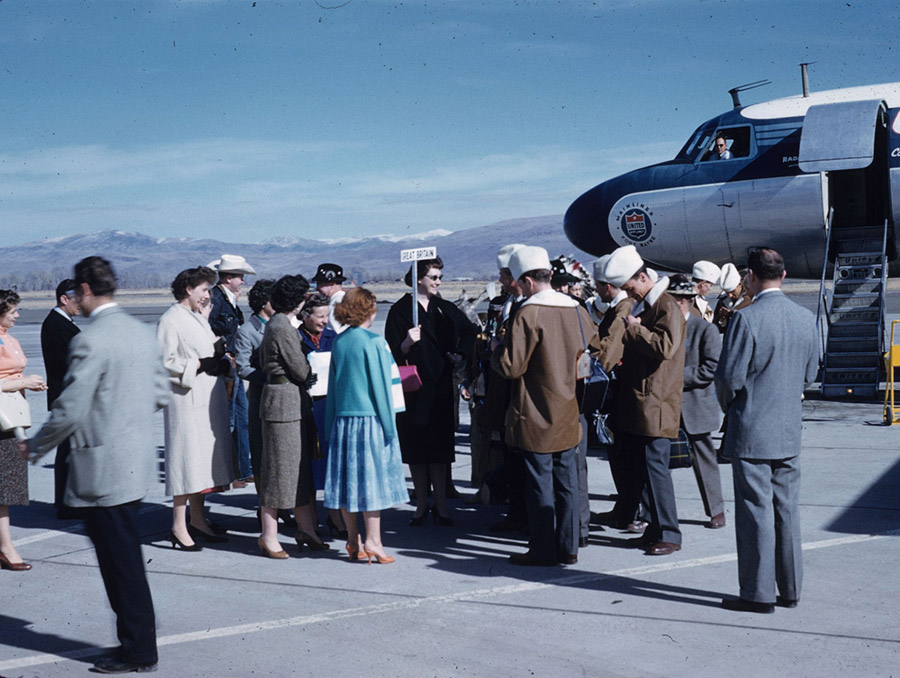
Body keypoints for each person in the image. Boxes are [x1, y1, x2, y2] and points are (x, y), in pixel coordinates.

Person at [24, 256, 169, 673]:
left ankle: (139, 650)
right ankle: (138, 645)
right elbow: (159, 393)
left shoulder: (91, 340)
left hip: (102, 468)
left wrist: (35, 448)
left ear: (86, 290)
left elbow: (69, 409)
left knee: (119, 565)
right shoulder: (140, 332)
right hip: (134, 462)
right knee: (126, 559)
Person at [715, 248, 819, 614]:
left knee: (755, 513)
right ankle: (791, 589)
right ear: (784, 274)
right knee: (787, 511)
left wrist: (733, 407)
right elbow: (811, 373)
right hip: (789, 430)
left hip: (752, 430)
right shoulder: (805, 318)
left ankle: (757, 593)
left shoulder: (747, 320)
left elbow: (728, 379)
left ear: (750, 276)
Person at [491, 246, 598, 566]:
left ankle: (542, 548)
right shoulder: (576, 308)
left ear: (526, 280)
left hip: (537, 411)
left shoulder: (529, 312)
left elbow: (511, 367)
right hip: (569, 408)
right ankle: (568, 547)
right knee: (567, 483)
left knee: (540, 485)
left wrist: (497, 348)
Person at [604, 245, 686, 556]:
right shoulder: (655, 305)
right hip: (646, 402)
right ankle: (655, 528)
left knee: (656, 470)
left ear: (642, 277)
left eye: (630, 287)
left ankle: (669, 533)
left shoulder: (665, 306)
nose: (630, 294)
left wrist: (635, 331)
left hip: (657, 403)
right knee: (646, 469)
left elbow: (666, 346)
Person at [385, 256, 477, 526]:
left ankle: (441, 505)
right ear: (418, 280)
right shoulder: (401, 310)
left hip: (440, 387)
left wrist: (459, 354)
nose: (438, 282)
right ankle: (421, 504)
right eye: (433, 277)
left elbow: (470, 331)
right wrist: (405, 343)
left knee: (439, 448)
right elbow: (389, 350)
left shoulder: (444, 308)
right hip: (413, 387)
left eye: (439, 277)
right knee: (416, 448)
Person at [324, 287, 408, 564]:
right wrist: (390, 426)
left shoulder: (340, 341)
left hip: (343, 421)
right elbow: (381, 389)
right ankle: (374, 541)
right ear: (369, 310)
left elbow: (333, 390)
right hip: (370, 420)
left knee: (349, 483)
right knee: (372, 483)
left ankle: (352, 540)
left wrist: (329, 426)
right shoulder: (373, 342)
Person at [157, 267, 235, 550]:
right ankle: (178, 525)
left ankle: (198, 519)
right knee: (185, 461)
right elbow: (164, 361)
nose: (207, 295)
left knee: (200, 463)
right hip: (186, 399)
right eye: (203, 289)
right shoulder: (170, 319)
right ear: (188, 289)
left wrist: (218, 356)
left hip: (206, 399)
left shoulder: (193, 317)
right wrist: (200, 365)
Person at [257, 274, 328, 558]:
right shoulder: (282, 326)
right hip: (283, 404)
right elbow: (299, 369)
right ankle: (268, 535)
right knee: (279, 472)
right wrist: (309, 373)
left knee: (297, 470)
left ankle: (306, 529)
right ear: (297, 301)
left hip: (289, 402)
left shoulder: (280, 324)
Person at [587, 254, 642, 531]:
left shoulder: (622, 310)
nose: (596, 291)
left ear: (608, 285)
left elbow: (609, 351)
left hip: (619, 391)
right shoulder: (617, 307)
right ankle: (625, 508)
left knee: (623, 453)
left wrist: (590, 362)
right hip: (618, 390)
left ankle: (631, 511)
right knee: (618, 453)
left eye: (598, 285)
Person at [667, 274, 726, 530]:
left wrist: (674, 378)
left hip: (695, 405)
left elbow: (711, 368)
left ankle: (716, 510)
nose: (679, 304)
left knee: (705, 460)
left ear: (692, 301)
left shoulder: (706, 330)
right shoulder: (662, 327)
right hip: (665, 406)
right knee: (658, 462)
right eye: (674, 299)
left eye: (684, 299)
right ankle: (649, 512)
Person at [1, 289, 47, 571]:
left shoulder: (9, 337)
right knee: (3, 488)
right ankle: (6, 547)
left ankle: (5, 545)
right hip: (2, 419)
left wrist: (27, 382)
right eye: (12, 311)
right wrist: (23, 381)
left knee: (6, 487)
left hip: (10, 416)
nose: (18, 315)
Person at [299, 291, 346, 538]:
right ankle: (309, 517)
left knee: (332, 464)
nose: (324, 321)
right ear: (305, 316)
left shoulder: (332, 336)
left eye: (327, 315)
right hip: (305, 407)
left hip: (329, 406)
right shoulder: (296, 338)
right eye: (319, 316)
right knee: (308, 464)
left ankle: (336, 515)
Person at [207, 253, 256, 484]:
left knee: (241, 417)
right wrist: (221, 350)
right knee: (231, 419)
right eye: (239, 277)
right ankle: (232, 470)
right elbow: (207, 327)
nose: (243, 281)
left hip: (233, 364)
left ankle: (243, 469)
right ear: (228, 278)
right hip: (226, 366)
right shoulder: (216, 298)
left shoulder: (229, 299)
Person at [39, 279, 81, 520]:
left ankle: (68, 501)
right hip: (66, 397)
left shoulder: (62, 322)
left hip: (67, 396)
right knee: (68, 450)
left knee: (71, 449)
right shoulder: (56, 325)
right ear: (64, 299)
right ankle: (66, 504)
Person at [234, 279, 276, 493]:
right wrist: (270, 377)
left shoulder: (282, 324)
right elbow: (243, 368)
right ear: (264, 302)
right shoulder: (247, 331)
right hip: (261, 398)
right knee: (261, 453)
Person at [713, 263, 751, 333]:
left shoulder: (750, 299)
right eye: (727, 292)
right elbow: (717, 329)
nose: (730, 295)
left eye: (732, 291)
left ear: (739, 285)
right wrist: (721, 318)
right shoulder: (722, 301)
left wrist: (732, 314)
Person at [312, 262, 349, 334]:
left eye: (319, 284)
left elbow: (335, 332)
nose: (317, 288)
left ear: (331, 284)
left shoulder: (335, 304)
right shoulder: (346, 300)